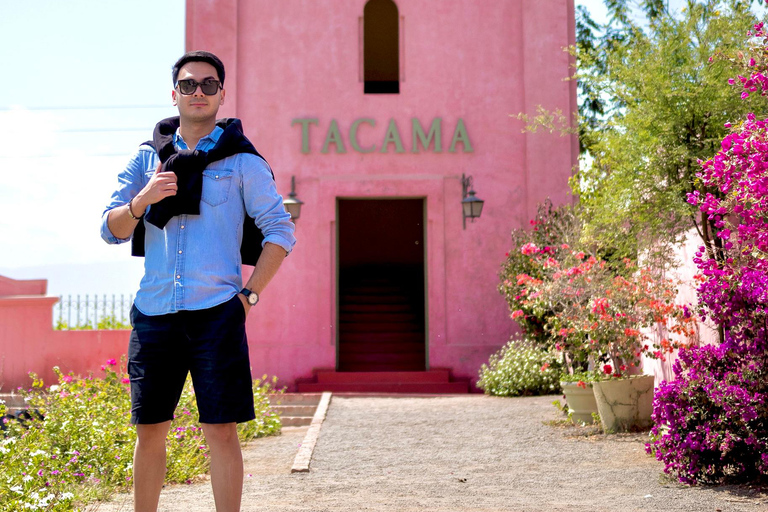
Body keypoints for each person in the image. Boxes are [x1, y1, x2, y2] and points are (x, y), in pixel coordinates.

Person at [100, 50, 296, 512]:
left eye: (209, 85)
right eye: (189, 85)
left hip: (217, 313)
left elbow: (280, 230)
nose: (199, 92)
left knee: (221, 431)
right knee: (149, 430)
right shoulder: (145, 160)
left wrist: (249, 295)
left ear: (222, 94)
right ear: (175, 94)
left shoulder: (244, 162)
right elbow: (110, 229)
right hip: (154, 313)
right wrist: (141, 200)